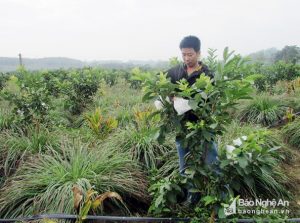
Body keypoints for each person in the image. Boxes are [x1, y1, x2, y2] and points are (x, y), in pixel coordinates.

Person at [166, 35, 219, 204]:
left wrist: (190, 102)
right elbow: (164, 88)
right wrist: (170, 97)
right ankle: (192, 197)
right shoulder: (175, 72)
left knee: (212, 162)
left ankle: (219, 198)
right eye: (184, 55)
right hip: (183, 128)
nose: (187, 58)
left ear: (198, 53)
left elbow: (211, 101)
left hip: (203, 127)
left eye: (190, 54)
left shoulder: (206, 74)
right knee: (185, 166)